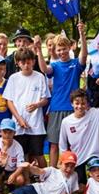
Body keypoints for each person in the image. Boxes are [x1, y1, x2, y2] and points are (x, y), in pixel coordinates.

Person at [36, 23, 87, 167]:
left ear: (69, 48)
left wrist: (82, 35)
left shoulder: (76, 64)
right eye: (59, 49)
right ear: (56, 51)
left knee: (74, 143)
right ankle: (53, 172)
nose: (62, 51)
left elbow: (84, 56)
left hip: (73, 109)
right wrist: (39, 50)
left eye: (64, 48)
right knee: (54, 143)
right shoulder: (56, 65)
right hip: (56, 108)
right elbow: (45, 69)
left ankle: (75, 172)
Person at [59, 77, 99, 187]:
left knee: (98, 182)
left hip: (93, 156)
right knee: (80, 186)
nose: (80, 106)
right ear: (72, 104)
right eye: (77, 103)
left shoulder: (95, 114)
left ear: (87, 104)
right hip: (77, 159)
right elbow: (62, 145)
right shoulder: (66, 121)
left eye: (83, 103)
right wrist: (65, 162)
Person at [3, 48, 50, 167]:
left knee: (38, 154)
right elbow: (9, 101)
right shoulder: (14, 78)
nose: (26, 65)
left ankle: (48, 179)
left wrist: (37, 105)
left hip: (36, 124)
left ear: (33, 62)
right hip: (18, 124)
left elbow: (46, 99)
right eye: (23, 62)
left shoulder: (40, 77)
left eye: (29, 62)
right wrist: (19, 119)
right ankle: (25, 178)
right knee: (21, 154)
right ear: (18, 63)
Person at [0, 118, 26, 194]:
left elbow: (21, 166)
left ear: (14, 133)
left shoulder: (18, 146)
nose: (7, 135)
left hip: (12, 170)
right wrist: (5, 147)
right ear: (0, 132)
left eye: (10, 132)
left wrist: (14, 174)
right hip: (0, 168)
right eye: (5, 132)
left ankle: (11, 185)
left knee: (20, 179)